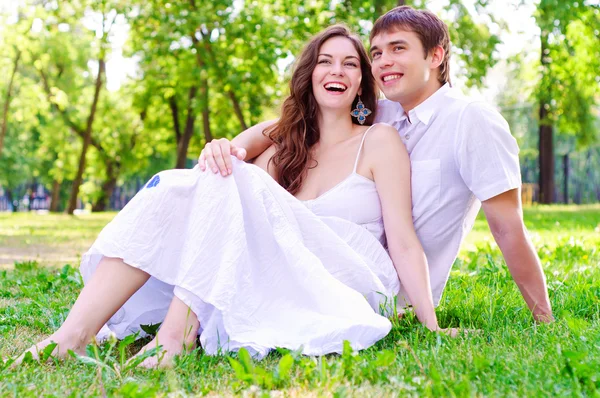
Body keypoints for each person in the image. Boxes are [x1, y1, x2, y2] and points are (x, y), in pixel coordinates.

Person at [15, 25, 454, 369]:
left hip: (343, 273)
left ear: (361, 83)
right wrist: (216, 148)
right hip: (272, 266)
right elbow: (212, 171)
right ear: (310, 74)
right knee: (187, 179)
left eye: (349, 64)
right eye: (325, 61)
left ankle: (175, 336)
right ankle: (70, 336)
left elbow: (402, 237)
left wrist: (428, 322)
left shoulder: (379, 141)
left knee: (236, 175)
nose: (336, 71)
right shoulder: (279, 133)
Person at [199, 6, 554, 322]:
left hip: (393, 291)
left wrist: (544, 320)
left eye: (398, 48)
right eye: (377, 53)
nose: (384, 61)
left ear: (436, 56)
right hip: (331, 262)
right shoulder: (376, 114)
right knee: (250, 172)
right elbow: (289, 128)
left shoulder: (471, 121)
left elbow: (508, 228)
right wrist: (229, 148)